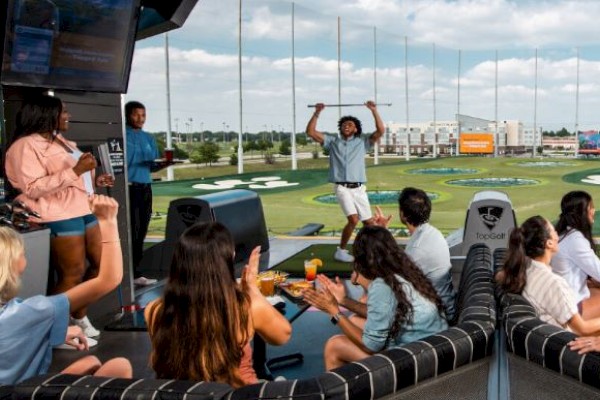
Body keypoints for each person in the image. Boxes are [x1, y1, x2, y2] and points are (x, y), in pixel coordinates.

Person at [5, 94, 115, 339]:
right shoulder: (24, 146)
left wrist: (94, 180)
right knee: (72, 273)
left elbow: (75, 178)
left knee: (103, 265)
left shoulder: (61, 142)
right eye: (63, 111)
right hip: (57, 214)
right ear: (46, 115)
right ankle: (58, 330)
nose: (68, 116)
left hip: (84, 208)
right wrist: (76, 170)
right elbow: (33, 187)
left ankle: (78, 314)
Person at [0, 195, 132, 385]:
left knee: (90, 362)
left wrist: (50, 331)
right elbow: (109, 279)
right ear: (12, 264)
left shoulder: (25, 313)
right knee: (119, 367)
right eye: (22, 253)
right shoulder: (30, 311)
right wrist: (108, 220)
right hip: (22, 393)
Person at [144, 222, 292, 387]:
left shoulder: (154, 310)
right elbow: (282, 336)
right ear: (226, 260)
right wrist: (253, 292)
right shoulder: (246, 308)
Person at [303, 225, 448, 370]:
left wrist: (334, 312)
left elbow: (370, 346)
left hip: (417, 362)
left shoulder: (382, 285)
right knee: (354, 320)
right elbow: (384, 310)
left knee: (334, 346)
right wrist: (343, 301)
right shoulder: (403, 271)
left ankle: (337, 391)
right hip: (434, 350)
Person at [306, 101, 385, 262]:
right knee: (353, 219)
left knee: (369, 223)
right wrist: (317, 112)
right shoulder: (332, 141)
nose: (346, 126)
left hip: (359, 189)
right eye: (344, 124)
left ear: (356, 129)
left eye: (350, 124)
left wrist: (374, 110)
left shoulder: (363, 142)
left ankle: (371, 251)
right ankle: (341, 251)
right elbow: (311, 131)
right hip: (342, 187)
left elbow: (381, 130)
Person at [496, 215, 600, 334]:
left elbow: (501, 275)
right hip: (569, 340)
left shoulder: (523, 269)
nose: (557, 234)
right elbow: (583, 329)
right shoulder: (553, 283)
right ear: (549, 243)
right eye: (554, 230)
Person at [373, 188, 456, 322]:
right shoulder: (431, 233)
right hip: (441, 309)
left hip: (436, 319)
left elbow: (394, 284)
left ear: (403, 214)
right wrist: (384, 232)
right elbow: (403, 258)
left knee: (372, 300)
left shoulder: (418, 248)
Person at [125, 100, 168, 286]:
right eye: (136, 114)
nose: (140, 118)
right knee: (131, 231)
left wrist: (165, 163)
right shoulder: (121, 136)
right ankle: (129, 273)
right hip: (128, 188)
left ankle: (136, 273)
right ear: (127, 115)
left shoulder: (149, 138)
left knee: (141, 230)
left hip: (145, 188)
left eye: (143, 115)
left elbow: (151, 167)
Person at [551, 191, 600, 319]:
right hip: (569, 309)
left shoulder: (563, 234)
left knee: (595, 290)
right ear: (581, 212)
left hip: (561, 303)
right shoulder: (575, 239)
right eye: (590, 207)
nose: (593, 211)